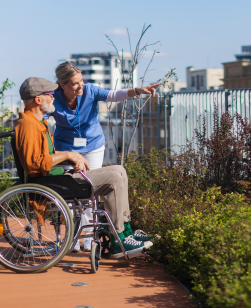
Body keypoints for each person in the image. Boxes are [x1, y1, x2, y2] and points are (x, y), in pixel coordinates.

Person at [14, 77, 152, 258]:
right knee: (114, 178)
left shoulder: (39, 122)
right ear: (38, 100)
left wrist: (71, 158)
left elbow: (42, 159)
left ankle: (125, 230)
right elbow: (34, 164)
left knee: (119, 170)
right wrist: (69, 155)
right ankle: (118, 236)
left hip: (59, 178)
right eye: (50, 95)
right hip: (53, 183)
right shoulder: (29, 125)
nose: (54, 97)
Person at [48, 61, 159, 251]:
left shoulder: (90, 91)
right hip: (65, 148)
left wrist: (138, 91)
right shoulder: (53, 99)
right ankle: (72, 235)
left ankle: (90, 237)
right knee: (71, 194)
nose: (80, 85)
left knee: (90, 190)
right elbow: (39, 122)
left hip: (92, 146)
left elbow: (114, 95)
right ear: (63, 84)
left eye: (81, 81)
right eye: (75, 83)